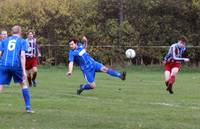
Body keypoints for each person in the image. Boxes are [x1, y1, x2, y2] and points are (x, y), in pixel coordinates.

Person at [0, 25, 34, 113]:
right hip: (15, 65)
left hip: (4, 64)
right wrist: (24, 71)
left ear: (11, 32)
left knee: (0, 84)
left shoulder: (4, 40)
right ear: (20, 32)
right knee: (23, 83)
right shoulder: (22, 41)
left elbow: (0, 53)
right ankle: (28, 107)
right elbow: (22, 56)